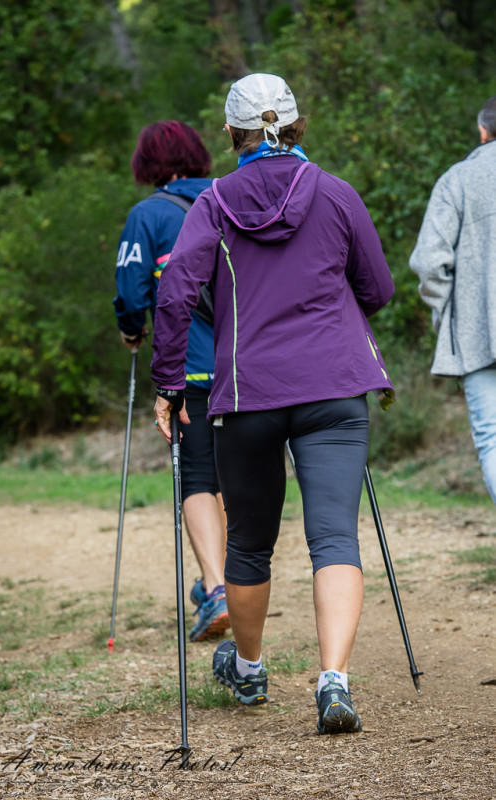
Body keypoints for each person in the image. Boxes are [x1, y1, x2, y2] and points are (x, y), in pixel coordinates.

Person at [151, 74, 395, 735]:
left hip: (247, 391)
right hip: (336, 387)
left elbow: (175, 295)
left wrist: (170, 384)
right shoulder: (337, 194)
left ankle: (251, 670)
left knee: (251, 545)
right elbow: (377, 287)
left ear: (231, 135)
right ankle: (334, 681)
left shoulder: (214, 203)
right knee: (334, 538)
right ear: (296, 126)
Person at [113, 120, 230, 641]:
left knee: (199, 477)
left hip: (193, 370)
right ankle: (224, 585)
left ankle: (216, 586)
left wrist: (132, 330)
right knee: (233, 478)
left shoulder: (148, 215)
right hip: (256, 367)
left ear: (147, 165)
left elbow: (132, 291)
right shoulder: (234, 197)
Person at [409, 96, 496, 505]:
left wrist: (446, 312)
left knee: (493, 440)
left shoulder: (458, 179)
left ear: (483, 131)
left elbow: (429, 261)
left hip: (478, 332)